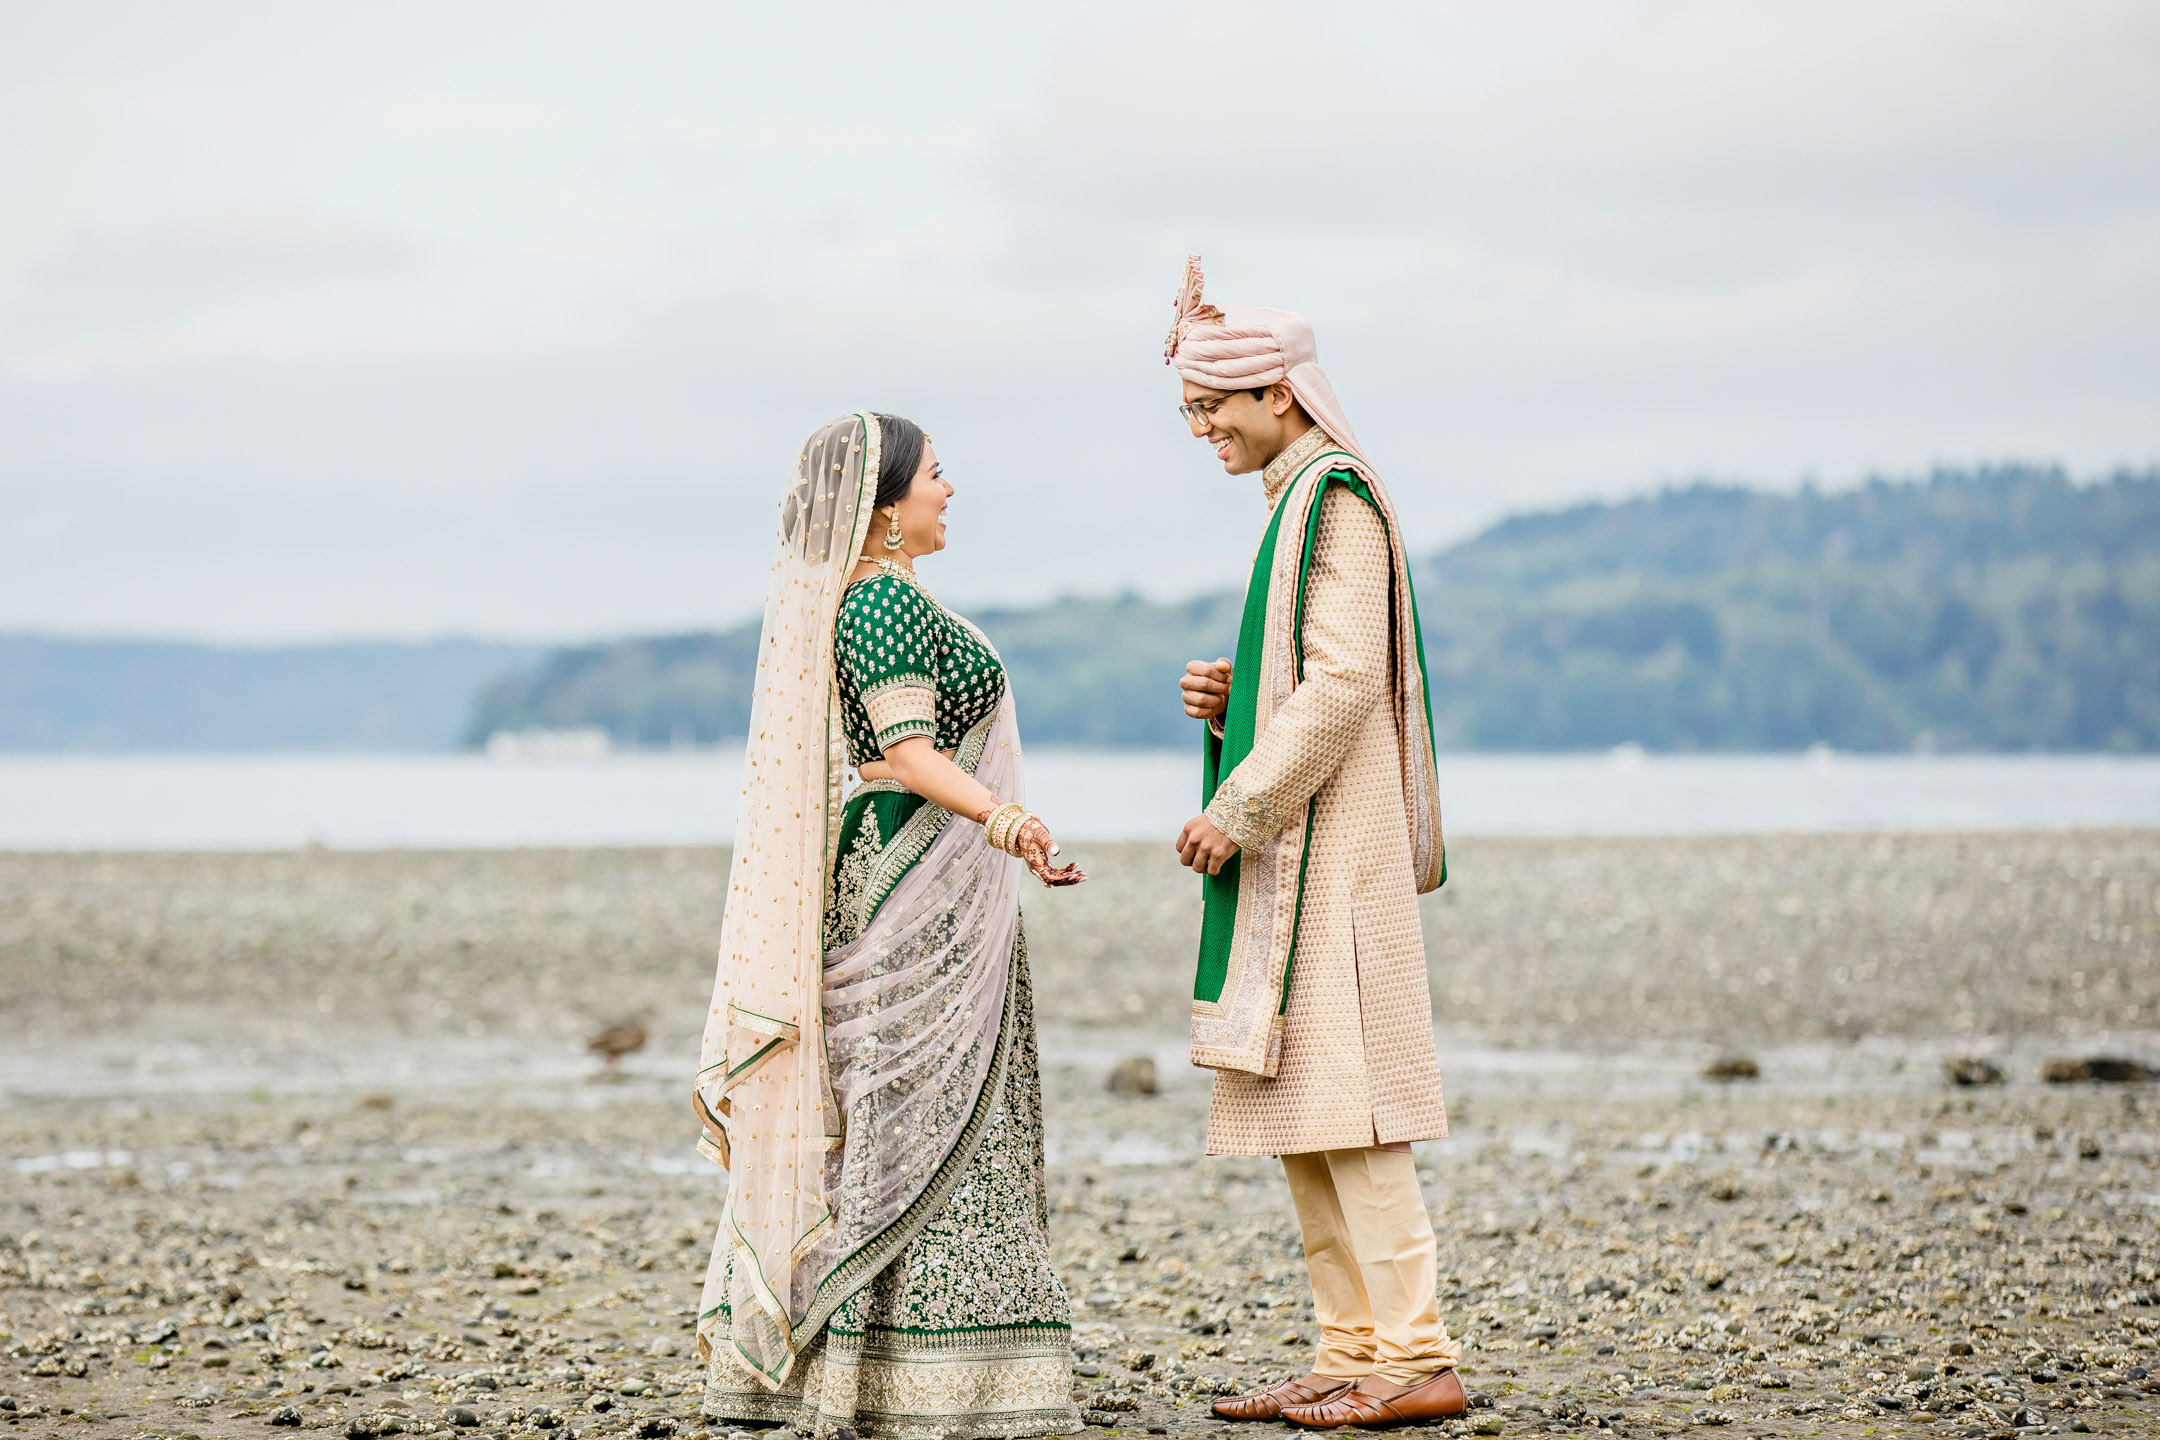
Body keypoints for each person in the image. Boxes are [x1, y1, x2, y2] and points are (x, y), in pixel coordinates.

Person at [693, 412, 1085, 1440]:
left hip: (934, 874)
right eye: (937, 477)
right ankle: (893, 1379)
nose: (950, 492)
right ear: (885, 510)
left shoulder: (898, 599)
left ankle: (949, 1373)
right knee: (904, 1106)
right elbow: (908, 750)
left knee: (936, 1103)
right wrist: (1008, 820)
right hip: (912, 879)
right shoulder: (877, 608)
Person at [1162, 258, 1466, 1430]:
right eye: (1192, 412)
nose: (1204, 432)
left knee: (1356, 1109)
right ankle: (1351, 1349)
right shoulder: (1296, 502)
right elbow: (1307, 677)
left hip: (1331, 858)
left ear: (1278, 394)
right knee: (1301, 1109)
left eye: (1212, 409)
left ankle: (1416, 1355)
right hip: (1311, 849)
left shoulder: (1333, 499)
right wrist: (1232, 696)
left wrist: (1236, 804)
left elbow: (1342, 688)